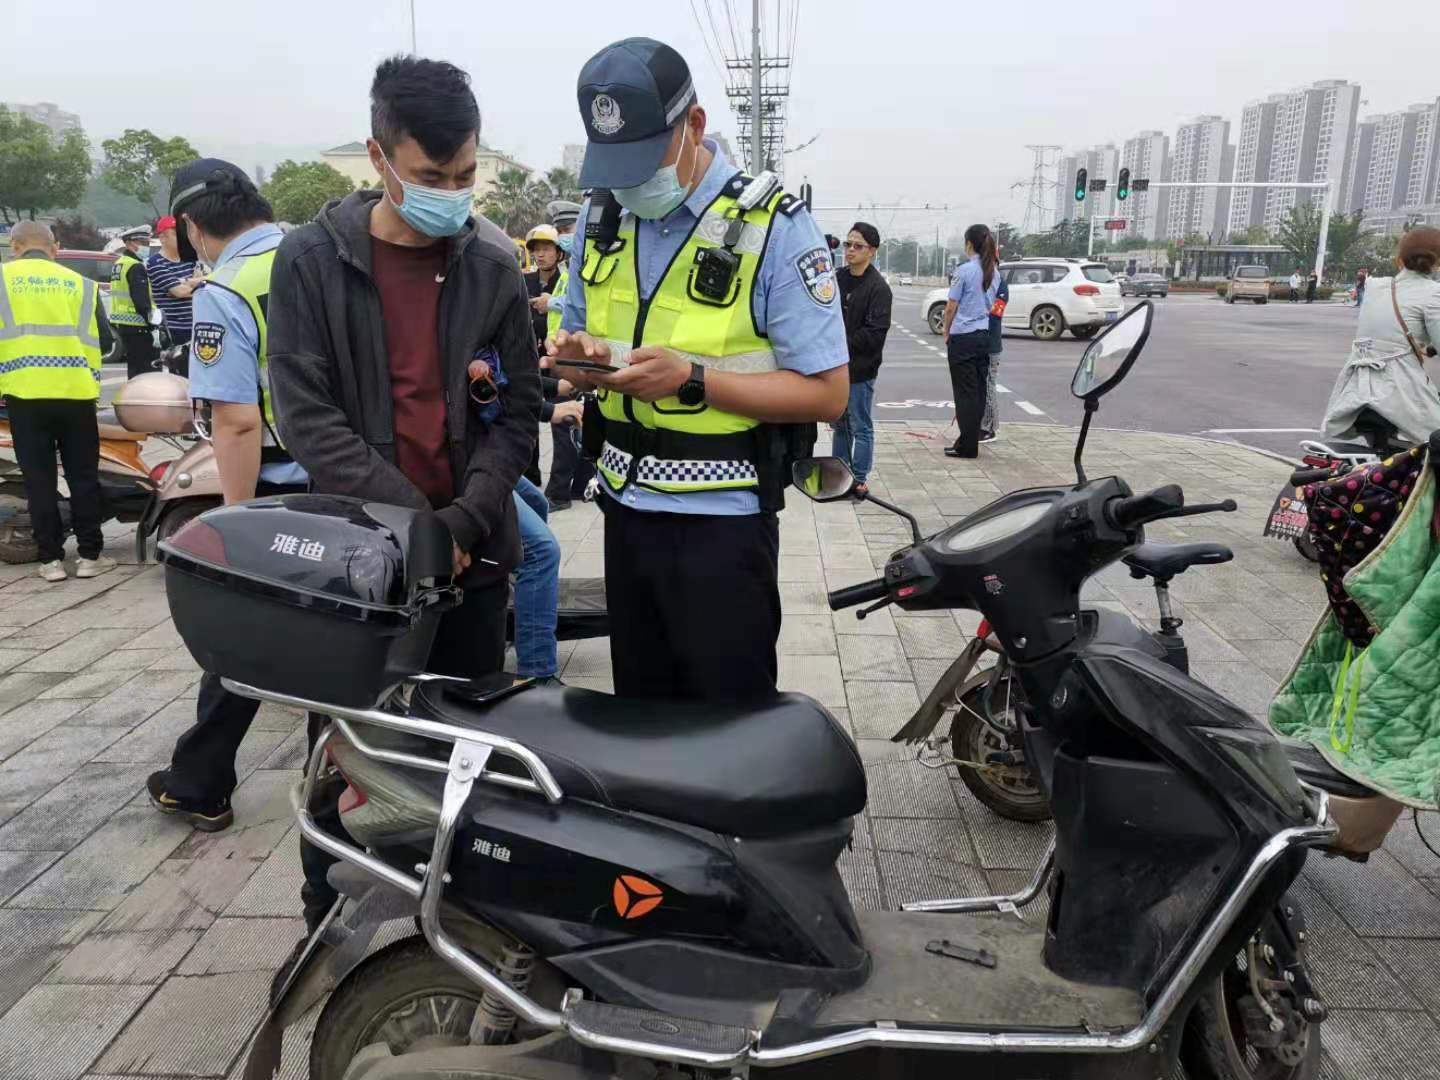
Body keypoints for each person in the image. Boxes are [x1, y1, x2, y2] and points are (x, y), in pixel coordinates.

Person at [267, 55, 541, 930]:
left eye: (464, 176)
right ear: (382, 159)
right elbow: (310, 423)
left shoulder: (492, 267)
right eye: (431, 177)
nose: (451, 194)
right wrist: (421, 527)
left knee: (467, 753)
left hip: (472, 561)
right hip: (358, 566)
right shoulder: (310, 262)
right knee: (349, 752)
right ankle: (329, 917)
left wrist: (464, 520)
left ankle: (458, 923)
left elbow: (518, 413)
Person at [551, 36, 848, 701]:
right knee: (642, 720)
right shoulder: (602, 218)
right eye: (615, 165)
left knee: (728, 729)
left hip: (723, 527)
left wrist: (692, 378)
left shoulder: (774, 225)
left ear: (694, 126)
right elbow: (574, 343)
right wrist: (581, 361)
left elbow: (828, 393)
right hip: (624, 509)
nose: (630, 183)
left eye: (644, 159)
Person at [147, 159, 308, 834]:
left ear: (189, 226)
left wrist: (233, 523)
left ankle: (200, 780)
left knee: (245, 639)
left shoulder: (226, 287)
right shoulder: (315, 253)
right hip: (363, 478)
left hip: (282, 488)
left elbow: (237, 420)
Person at [0, 222, 115, 583]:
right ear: (55, 247)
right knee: (83, 478)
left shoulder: (3, 279)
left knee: (39, 480)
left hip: (25, 393)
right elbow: (107, 340)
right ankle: (90, 556)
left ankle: (50, 560)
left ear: (15, 246)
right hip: (76, 392)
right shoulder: (81, 284)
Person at [1323, 227, 1440, 445]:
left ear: (1400, 258)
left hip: (1355, 387)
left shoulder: (1374, 286)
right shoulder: (1434, 293)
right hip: (1400, 390)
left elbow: (1387, 334)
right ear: (1437, 262)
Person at [831, 221, 891, 493]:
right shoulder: (836, 278)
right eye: (848, 244)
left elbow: (874, 334)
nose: (850, 250)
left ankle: (859, 479)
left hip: (860, 368)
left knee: (860, 425)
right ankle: (838, 474)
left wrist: (839, 343)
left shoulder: (878, 288)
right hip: (836, 367)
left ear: (872, 251)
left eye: (858, 246)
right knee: (840, 424)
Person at [942, 223, 1001, 459]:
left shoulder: (965, 271)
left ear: (969, 244)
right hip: (983, 337)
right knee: (977, 392)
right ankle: (967, 440)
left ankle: (967, 446)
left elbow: (950, 307)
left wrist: (947, 332)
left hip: (963, 338)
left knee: (964, 394)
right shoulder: (994, 272)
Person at [145, 214, 204, 369]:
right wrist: (194, 283)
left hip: (196, 326)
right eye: (176, 233)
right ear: (162, 238)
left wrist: (188, 284)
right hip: (174, 330)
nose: (181, 237)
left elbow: (206, 285)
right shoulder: (155, 263)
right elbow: (180, 292)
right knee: (179, 375)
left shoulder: (191, 259)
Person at [110, 225, 156, 377]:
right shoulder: (135, 266)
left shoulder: (119, 263)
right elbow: (141, 301)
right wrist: (153, 324)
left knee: (134, 368)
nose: (146, 247)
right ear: (129, 243)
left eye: (147, 243)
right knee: (145, 371)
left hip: (124, 324)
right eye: (142, 243)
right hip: (138, 325)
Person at [982, 271, 1010, 443]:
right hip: (977, 341)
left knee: (988, 385)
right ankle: (980, 424)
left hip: (991, 344)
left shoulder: (1001, 286)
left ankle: (989, 428)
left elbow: (995, 315)